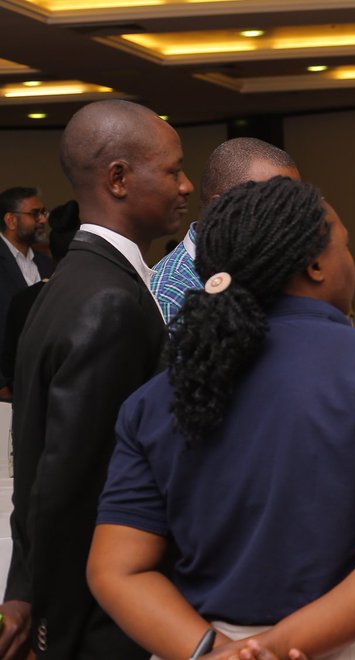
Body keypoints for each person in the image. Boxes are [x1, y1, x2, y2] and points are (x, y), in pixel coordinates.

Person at [88, 176, 355, 660]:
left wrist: (216, 650)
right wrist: (273, 648)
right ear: (316, 264)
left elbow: (116, 571)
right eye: (345, 246)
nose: (351, 260)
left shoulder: (156, 397)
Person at [1, 99, 193, 659]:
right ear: (118, 179)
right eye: (173, 169)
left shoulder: (70, 283)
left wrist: (24, 591)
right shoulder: (109, 301)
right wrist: (52, 628)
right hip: (100, 620)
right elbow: (70, 487)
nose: (185, 186)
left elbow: (35, 461)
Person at [152, 137, 300, 323]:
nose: (292, 220)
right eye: (275, 206)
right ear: (221, 207)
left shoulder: (267, 272)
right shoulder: (173, 295)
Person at [0, 201, 81, 400]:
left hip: (30, 402)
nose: (41, 219)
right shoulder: (98, 297)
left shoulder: (26, 297)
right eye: (34, 213)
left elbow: (11, 365)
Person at [0, 187, 55, 399]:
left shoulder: (46, 263)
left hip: (41, 385)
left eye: (44, 212)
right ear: (11, 221)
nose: (42, 220)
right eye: (34, 214)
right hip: (8, 386)